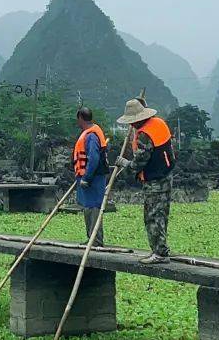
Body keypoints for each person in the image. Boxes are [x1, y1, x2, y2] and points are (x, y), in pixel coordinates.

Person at [114, 97, 176, 264]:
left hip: (155, 180)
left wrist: (123, 163)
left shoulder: (145, 135)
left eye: (132, 122)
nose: (131, 125)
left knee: (152, 216)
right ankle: (161, 249)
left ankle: (160, 253)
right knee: (161, 214)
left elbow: (138, 164)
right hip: (166, 175)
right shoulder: (159, 123)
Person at [72, 107, 109, 247]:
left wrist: (86, 177)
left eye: (77, 119)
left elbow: (93, 158)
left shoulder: (91, 136)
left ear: (81, 118)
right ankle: (91, 239)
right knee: (88, 208)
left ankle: (96, 241)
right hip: (88, 177)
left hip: (93, 179)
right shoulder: (89, 133)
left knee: (93, 208)